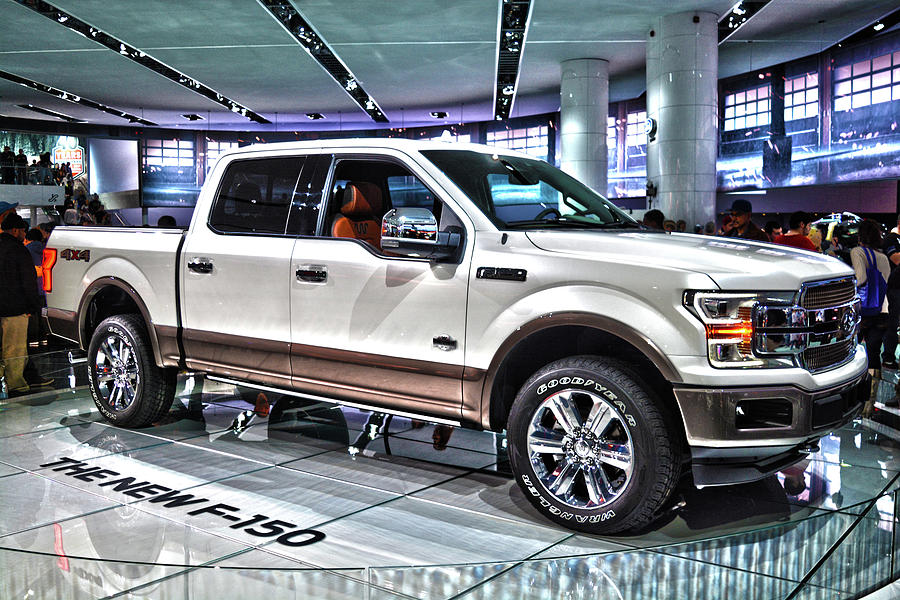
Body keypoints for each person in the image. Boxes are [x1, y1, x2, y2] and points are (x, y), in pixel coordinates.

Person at [0, 214, 44, 395]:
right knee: (14, 349)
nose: (24, 234)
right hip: (15, 308)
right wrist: (33, 306)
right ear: (16, 230)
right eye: (23, 231)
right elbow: (28, 281)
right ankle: (17, 384)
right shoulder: (18, 250)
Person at [851, 219, 891, 412]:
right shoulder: (883, 257)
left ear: (860, 237)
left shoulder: (857, 252)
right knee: (874, 353)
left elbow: (861, 278)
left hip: (863, 311)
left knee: (854, 350)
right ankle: (870, 403)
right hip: (882, 310)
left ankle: (855, 394)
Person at [881, 215, 900, 370]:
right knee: (892, 325)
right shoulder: (890, 239)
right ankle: (888, 358)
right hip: (894, 289)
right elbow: (896, 259)